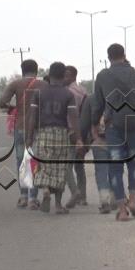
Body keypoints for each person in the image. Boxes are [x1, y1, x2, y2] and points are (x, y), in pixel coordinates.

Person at [91, 44, 135, 221]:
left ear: (108, 57)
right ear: (124, 55)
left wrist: (94, 125)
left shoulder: (103, 76)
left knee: (115, 167)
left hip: (114, 127)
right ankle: (133, 200)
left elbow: (97, 104)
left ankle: (122, 210)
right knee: (133, 164)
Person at [25, 62, 83, 214]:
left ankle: (45, 189)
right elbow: (74, 118)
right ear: (63, 75)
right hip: (61, 134)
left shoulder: (39, 93)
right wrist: (78, 138)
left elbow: (32, 117)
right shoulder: (68, 94)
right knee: (60, 169)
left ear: (49, 75)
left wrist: (29, 137)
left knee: (43, 165)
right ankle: (58, 205)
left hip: (43, 133)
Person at [0, 59, 47, 210]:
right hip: (38, 129)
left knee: (22, 163)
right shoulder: (44, 85)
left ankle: (23, 197)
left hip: (20, 127)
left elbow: (2, 102)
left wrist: (13, 108)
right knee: (34, 163)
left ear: (22, 70)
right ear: (36, 70)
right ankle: (33, 198)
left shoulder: (15, 84)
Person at [63, 65, 88, 208]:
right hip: (82, 133)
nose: (64, 78)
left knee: (68, 165)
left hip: (70, 132)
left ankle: (76, 192)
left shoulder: (67, 92)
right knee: (79, 166)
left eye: (66, 75)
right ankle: (82, 197)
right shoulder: (83, 91)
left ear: (73, 76)